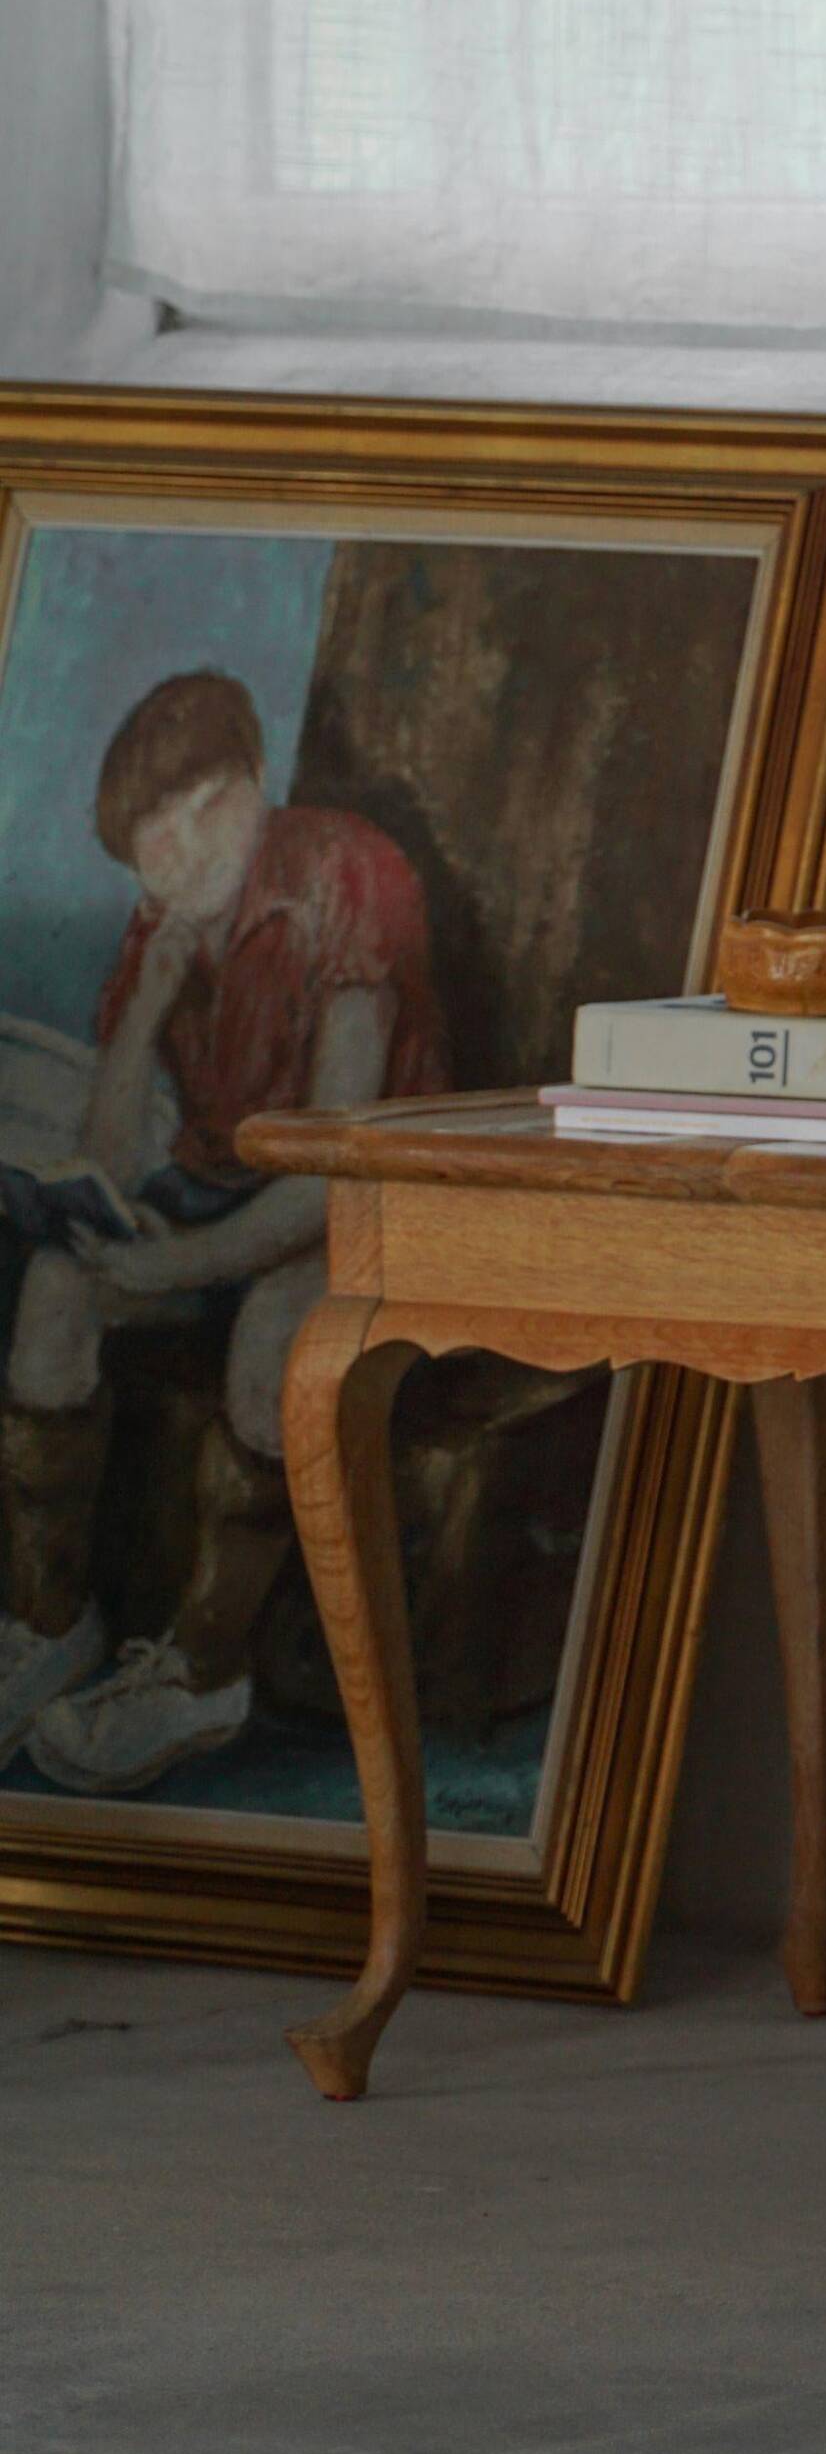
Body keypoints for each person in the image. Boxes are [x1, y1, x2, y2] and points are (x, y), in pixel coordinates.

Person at [0, 674, 448, 1794]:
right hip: (222, 1187)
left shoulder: (350, 874)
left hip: (375, 1201)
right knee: (58, 1292)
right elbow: (107, 1162)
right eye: (156, 827)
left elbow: (333, 1163)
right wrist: (147, 1004)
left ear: (258, 782)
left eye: (211, 804)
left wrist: (178, 1260)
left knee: (269, 1342)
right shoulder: (162, 920)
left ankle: (205, 1666)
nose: (188, 845)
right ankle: (48, 1620)